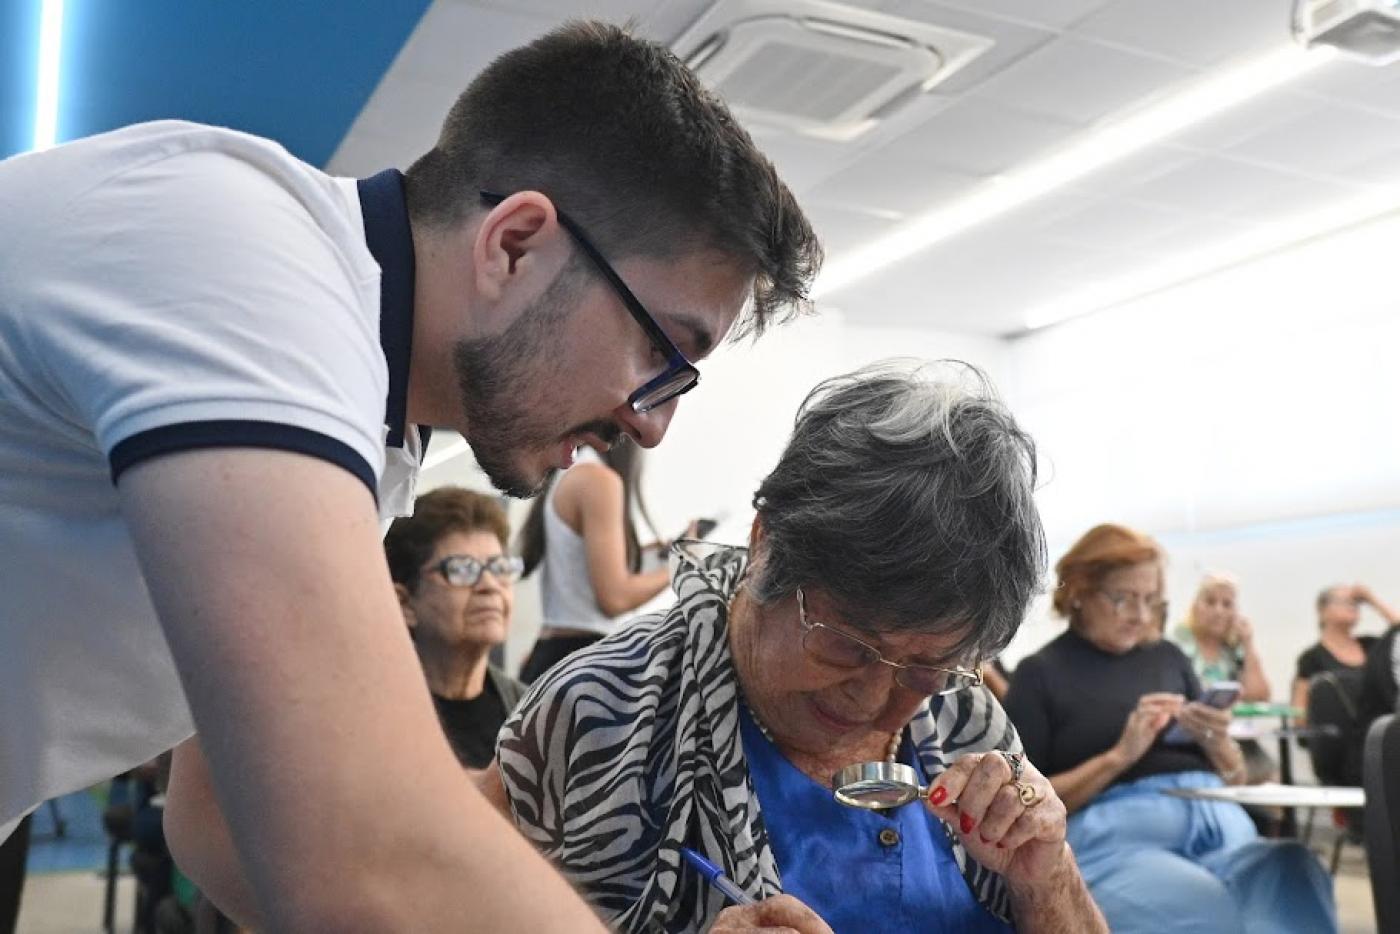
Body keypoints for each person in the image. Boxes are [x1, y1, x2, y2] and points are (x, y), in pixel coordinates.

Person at [0, 20, 820, 931]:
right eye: (662, 351)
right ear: (513, 244)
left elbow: (223, 820)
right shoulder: (243, 255)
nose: (654, 423)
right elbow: (364, 851)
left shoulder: (378, 433)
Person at [487, 361, 1106, 934]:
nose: (871, 697)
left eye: (924, 668)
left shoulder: (962, 716)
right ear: (765, 548)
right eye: (847, 644)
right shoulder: (601, 710)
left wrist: (1048, 877)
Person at [1005, 524, 1336, 934]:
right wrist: (1119, 756)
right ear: (1079, 593)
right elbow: (1026, 804)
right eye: (1123, 599)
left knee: (1295, 872)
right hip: (1120, 836)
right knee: (1206, 909)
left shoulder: (1170, 656)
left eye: (1151, 601)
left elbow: (1234, 775)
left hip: (1219, 817)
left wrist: (1218, 744)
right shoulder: (1040, 674)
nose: (1141, 615)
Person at [517, 441, 687, 682]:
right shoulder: (598, 480)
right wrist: (682, 562)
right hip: (580, 662)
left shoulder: (571, 470)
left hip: (551, 655)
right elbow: (615, 598)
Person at [385, 487, 526, 768]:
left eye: (499, 568)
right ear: (404, 603)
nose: (489, 586)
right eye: (462, 569)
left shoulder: (531, 711)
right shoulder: (377, 714)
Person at [1292, 583, 1400, 724]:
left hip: (1380, 727)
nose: (1352, 606)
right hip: (1340, 734)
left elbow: (1397, 633)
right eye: (1344, 602)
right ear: (1323, 610)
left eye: (1356, 603)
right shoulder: (1311, 658)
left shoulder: (1372, 646)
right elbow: (1299, 713)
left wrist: (1372, 600)